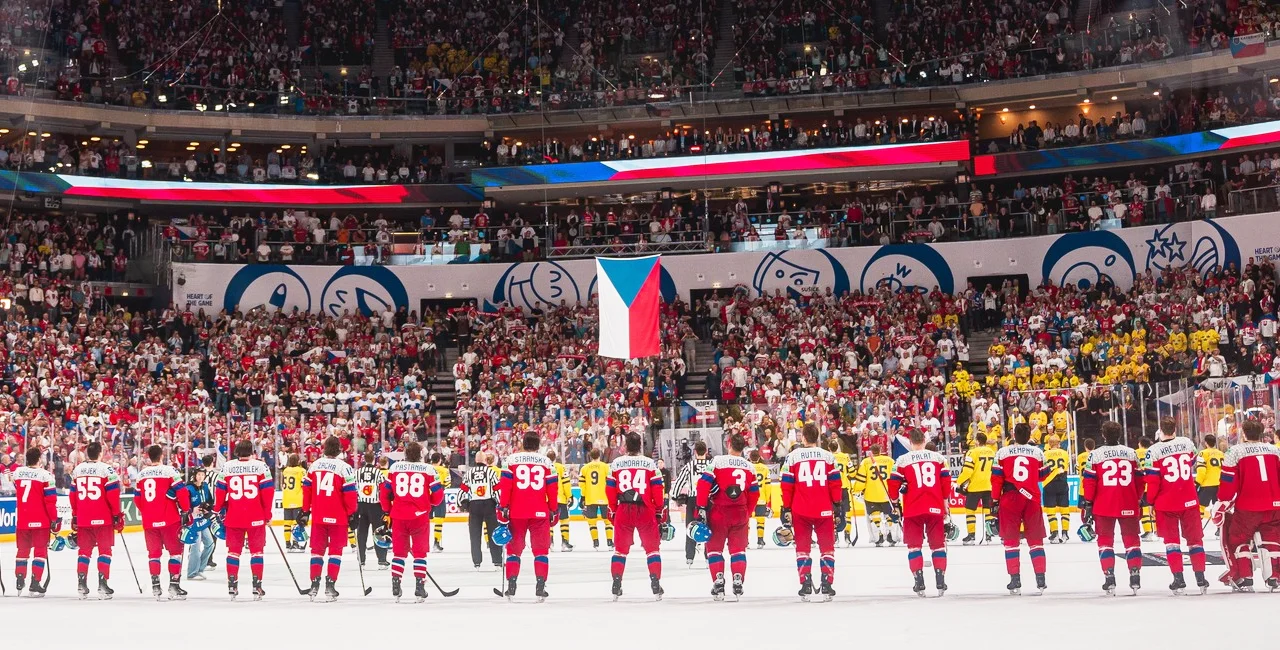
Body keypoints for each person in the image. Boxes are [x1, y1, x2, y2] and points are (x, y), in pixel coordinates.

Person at [1143, 417, 1210, 594]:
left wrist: (1150, 501)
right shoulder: (1187, 443)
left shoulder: (1153, 451)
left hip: (1166, 503)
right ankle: (1201, 577)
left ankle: (1178, 579)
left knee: (1172, 542)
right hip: (1189, 499)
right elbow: (1192, 461)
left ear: (1160, 430)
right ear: (1175, 428)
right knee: (1195, 540)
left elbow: (1153, 481)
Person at [1216, 419, 1280, 591]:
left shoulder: (1235, 451)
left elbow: (1228, 481)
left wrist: (1223, 500)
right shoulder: (1275, 450)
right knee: (1272, 538)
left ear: (1243, 433)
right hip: (1274, 505)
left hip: (1248, 506)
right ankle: (1274, 577)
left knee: (1238, 538)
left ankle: (1245, 577)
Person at [780, 424, 842, 600]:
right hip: (824, 509)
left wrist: (786, 507)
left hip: (800, 509)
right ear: (817, 437)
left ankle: (805, 583)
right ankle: (827, 583)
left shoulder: (793, 457)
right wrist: (837, 505)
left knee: (802, 548)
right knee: (827, 548)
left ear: (804, 437)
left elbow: (786, 485)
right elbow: (836, 483)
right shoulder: (828, 456)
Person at [888, 427, 952, 597]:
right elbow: (946, 483)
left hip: (913, 509)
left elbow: (893, 484)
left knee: (914, 547)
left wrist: (895, 503)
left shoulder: (902, 460)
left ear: (910, 442)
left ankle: (919, 581)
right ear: (924, 441)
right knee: (938, 546)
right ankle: (940, 580)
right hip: (935, 507)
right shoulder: (938, 458)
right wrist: (945, 504)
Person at [1081, 421, 1143, 595]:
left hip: (1104, 505)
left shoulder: (1095, 455)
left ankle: (1109, 577)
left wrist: (1088, 503)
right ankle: (1135, 575)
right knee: (1132, 540)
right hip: (1128, 503)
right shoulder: (1131, 453)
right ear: (1120, 434)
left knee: (1105, 541)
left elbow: (1089, 482)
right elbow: (1140, 479)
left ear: (1103, 435)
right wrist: (1137, 498)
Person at [498, 431, 559, 601]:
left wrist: (503, 507)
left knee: (513, 551)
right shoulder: (547, 462)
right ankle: (540, 585)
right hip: (540, 512)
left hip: (516, 512)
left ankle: (511, 586)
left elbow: (505, 487)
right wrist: (554, 509)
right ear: (538, 445)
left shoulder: (511, 460)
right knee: (541, 551)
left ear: (523, 443)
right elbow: (552, 489)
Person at [695, 433, 756, 600]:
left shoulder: (717, 461)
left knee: (714, 549)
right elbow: (754, 493)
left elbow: (703, 484)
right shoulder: (749, 466)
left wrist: (701, 507)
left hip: (719, 512)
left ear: (729, 445)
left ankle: (718, 581)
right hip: (740, 512)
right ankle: (738, 578)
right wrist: (747, 512)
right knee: (738, 550)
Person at [605, 432, 666, 600]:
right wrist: (659, 509)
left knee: (620, 550)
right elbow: (657, 489)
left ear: (626, 446)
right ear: (640, 445)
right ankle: (655, 583)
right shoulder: (650, 464)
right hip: (645, 509)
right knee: (652, 549)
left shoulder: (616, 463)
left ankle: (616, 583)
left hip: (624, 509)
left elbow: (610, 489)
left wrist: (613, 508)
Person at [381, 441, 444, 602]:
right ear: (420, 455)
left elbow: (384, 493)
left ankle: (396, 584)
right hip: (419, 516)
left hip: (399, 516)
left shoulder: (395, 468)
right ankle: (419, 587)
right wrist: (428, 501)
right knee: (420, 553)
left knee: (399, 553)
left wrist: (387, 511)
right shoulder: (428, 469)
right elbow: (438, 495)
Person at [990, 423, 1049, 595]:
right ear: (1029, 435)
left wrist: (994, 500)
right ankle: (1041, 578)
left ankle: (1015, 579)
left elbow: (996, 479)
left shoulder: (1002, 452)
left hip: (1010, 498)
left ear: (1014, 435)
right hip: (1031, 497)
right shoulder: (1037, 452)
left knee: (1011, 541)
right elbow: (1043, 475)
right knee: (1036, 540)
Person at [214, 439, 275, 600]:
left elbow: (220, 491)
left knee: (233, 552)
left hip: (234, 517)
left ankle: (232, 586)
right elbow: (268, 493)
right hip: (256, 517)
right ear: (252, 451)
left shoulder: (227, 467)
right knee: (257, 552)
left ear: (236, 452)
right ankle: (257, 586)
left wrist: (217, 509)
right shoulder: (261, 466)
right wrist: (267, 515)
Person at [300, 436, 357, 601]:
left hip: (319, 515)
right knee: (335, 552)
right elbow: (350, 494)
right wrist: (352, 513)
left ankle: (314, 584)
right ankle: (330, 585)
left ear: (324, 448)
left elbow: (307, 489)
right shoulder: (345, 468)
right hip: (338, 517)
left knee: (317, 551)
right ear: (339, 449)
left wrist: (305, 511)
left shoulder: (315, 465)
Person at [133, 444, 191, 600]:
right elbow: (182, 492)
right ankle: (174, 585)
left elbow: (137, 499)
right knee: (175, 552)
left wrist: (147, 511)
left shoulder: (141, 474)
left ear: (148, 456)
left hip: (150, 521)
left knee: (154, 554)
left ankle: (156, 586)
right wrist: (185, 510)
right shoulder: (170, 471)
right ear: (161, 456)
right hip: (170, 519)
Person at [70, 441, 122, 599]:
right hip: (103, 518)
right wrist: (117, 515)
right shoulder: (107, 469)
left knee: (84, 552)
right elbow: (113, 494)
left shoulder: (78, 470)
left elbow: (72, 495)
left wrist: (75, 515)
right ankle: (102, 585)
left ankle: (81, 584)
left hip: (84, 518)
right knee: (105, 551)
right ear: (100, 453)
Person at [13, 447, 58, 596]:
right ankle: (35, 581)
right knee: (40, 551)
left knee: (22, 551)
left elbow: (17, 487)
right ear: (39, 459)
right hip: (41, 521)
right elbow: (50, 501)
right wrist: (54, 519)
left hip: (23, 519)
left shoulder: (18, 472)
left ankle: (20, 579)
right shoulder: (46, 475)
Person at [669, 440, 711, 566]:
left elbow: (679, 482)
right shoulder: (711, 465)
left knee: (691, 527)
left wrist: (674, 496)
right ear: (706, 451)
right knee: (710, 527)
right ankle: (709, 556)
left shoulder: (689, 466)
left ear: (695, 452)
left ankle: (689, 557)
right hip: (709, 500)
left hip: (694, 500)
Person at [460, 451, 502, 570]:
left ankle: (477, 562)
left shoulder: (469, 473)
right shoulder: (491, 472)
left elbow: (463, 490)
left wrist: (463, 504)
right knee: (493, 534)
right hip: (489, 505)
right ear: (485, 460)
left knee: (474, 535)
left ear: (475, 460)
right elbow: (497, 489)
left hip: (474, 505)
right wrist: (501, 503)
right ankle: (497, 561)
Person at [852, 443, 896, 546]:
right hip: (886, 494)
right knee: (889, 514)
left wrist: (857, 490)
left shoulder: (866, 462)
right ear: (881, 450)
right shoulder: (890, 460)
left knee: (875, 515)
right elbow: (895, 476)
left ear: (871, 452)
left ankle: (879, 536)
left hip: (871, 494)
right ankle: (890, 534)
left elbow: (861, 479)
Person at [956, 432, 995, 544]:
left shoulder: (972, 452)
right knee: (988, 510)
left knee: (970, 510)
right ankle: (989, 535)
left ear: (977, 441)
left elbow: (967, 471)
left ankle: (971, 536)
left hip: (974, 487)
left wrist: (959, 482)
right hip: (988, 485)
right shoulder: (992, 452)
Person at [354, 451, 388, 568]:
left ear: (364, 459)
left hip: (361, 506)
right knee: (378, 532)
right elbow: (384, 490)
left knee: (361, 534)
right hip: (375, 507)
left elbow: (353, 489)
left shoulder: (357, 472)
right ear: (374, 460)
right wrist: (386, 508)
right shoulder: (378, 473)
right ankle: (382, 560)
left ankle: (361, 560)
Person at [184, 468, 216, 580]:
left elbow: (210, 501)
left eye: (203, 474)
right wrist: (192, 510)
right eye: (199, 474)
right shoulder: (188, 488)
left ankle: (199, 569)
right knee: (195, 547)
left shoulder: (205, 486)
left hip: (203, 520)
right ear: (194, 475)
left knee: (210, 544)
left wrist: (208, 508)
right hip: (193, 521)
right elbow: (183, 504)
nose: (201, 477)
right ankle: (192, 573)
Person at [580, 449, 614, 549]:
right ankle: (609, 542)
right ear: (600, 455)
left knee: (592, 521)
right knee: (607, 521)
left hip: (590, 497)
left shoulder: (585, 468)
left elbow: (582, 484)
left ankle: (595, 542)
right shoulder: (606, 467)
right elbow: (611, 482)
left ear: (590, 456)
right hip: (604, 497)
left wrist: (583, 496)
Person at [1041, 435, 1071, 543]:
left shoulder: (1045, 454)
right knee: (1064, 509)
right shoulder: (1064, 453)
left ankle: (1054, 534)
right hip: (1062, 482)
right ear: (1059, 444)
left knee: (1051, 510)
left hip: (1049, 483)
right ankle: (1065, 533)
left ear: (1049, 444)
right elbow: (1066, 466)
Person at [827, 439, 854, 545]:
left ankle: (835, 535)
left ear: (829, 448)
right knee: (847, 511)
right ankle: (847, 534)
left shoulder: (827, 457)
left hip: (832, 489)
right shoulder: (845, 456)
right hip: (844, 487)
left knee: (834, 512)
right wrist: (847, 475)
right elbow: (852, 472)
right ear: (837, 447)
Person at [546, 450, 573, 551]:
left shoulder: (544, 467)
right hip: (560, 498)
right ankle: (565, 543)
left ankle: (550, 543)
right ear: (555, 458)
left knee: (549, 521)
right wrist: (569, 496)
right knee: (564, 520)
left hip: (547, 499)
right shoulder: (561, 467)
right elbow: (566, 483)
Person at [1195, 434, 1224, 526]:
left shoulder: (1202, 453)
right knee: (1219, 508)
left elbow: (1201, 470)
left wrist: (1197, 483)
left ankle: (1197, 528)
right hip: (1219, 485)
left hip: (1207, 485)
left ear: (1206, 443)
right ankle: (1221, 529)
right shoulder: (1221, 453)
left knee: (1200, 507)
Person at [280, 455, 306, 551]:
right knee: (297, 523)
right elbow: (304, 485)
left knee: (287, 524)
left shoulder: (285, 470)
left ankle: (287, 544)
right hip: (297, 499)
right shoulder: (301, 471)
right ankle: (295, 543)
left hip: (286, 499)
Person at [429, 452, 451, 552]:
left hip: (427, 496)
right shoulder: (444, 470)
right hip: (439, 495)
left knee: (424, 521)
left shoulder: (427, 469)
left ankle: (422, 542)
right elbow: (448, 484)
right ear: (440, 460)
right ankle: (436, 543)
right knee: (439, 520)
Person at [750, 449, 771, 548]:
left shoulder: (748, 467)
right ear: (759, 457)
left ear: (750, 458)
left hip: (749, 499)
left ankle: (745, 542)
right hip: (761, 498)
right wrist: (767, 499)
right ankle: (760, 540)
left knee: (746, 521)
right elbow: (768, 485)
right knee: (760, 520)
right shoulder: (765, 468)